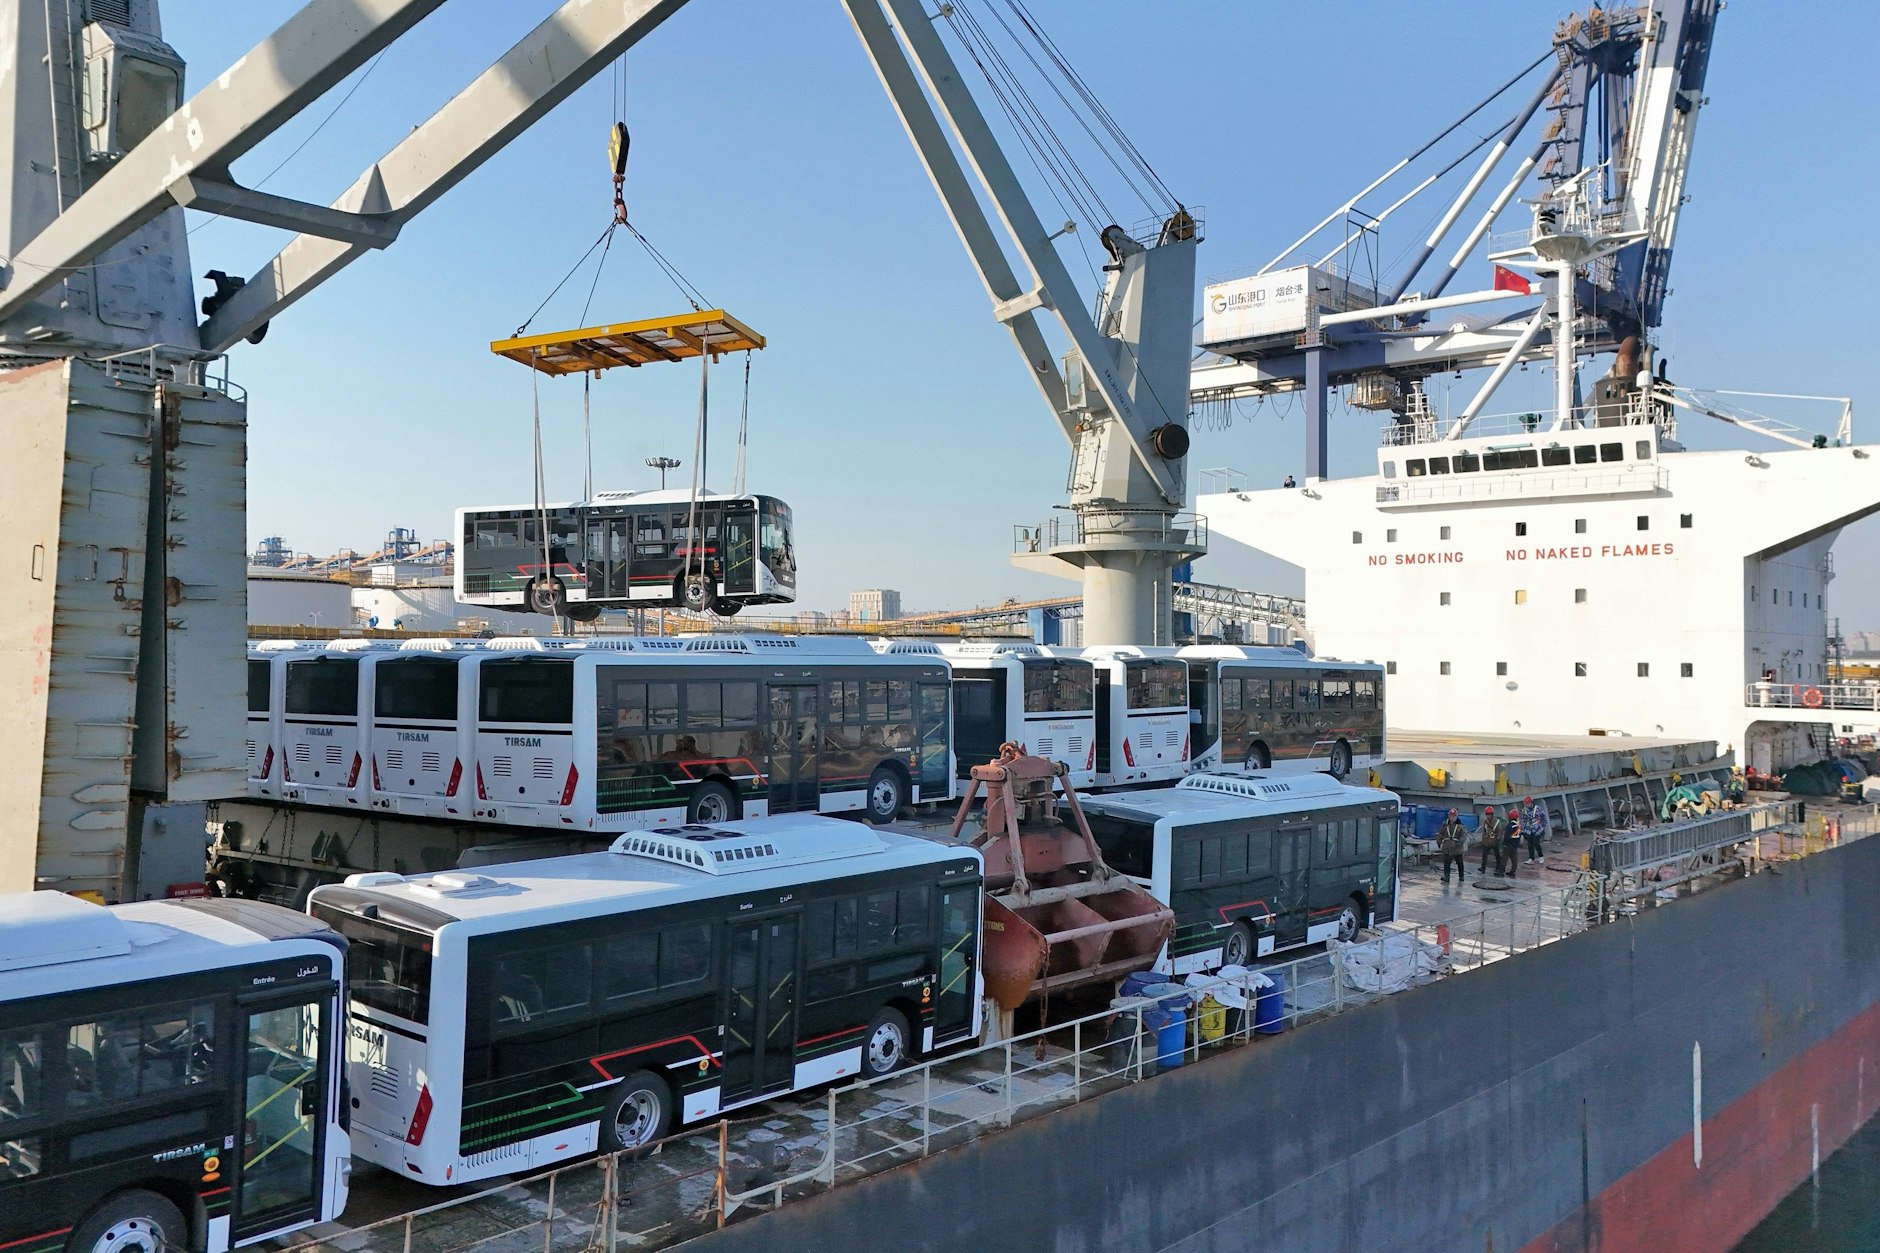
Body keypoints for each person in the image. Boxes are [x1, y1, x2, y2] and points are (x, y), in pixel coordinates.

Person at [1436, 808, 1468, 886]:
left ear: (1456, 816)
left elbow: (1464, 836)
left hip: (1457, 848)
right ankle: (1447, 877)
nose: (1452, 818)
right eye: (1450, 816)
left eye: (1453, 816)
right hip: (1447, 847)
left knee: (1459, 863)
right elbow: (1441, 834)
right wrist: (1439, 842)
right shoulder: (1445, 825)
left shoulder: (1461, 826)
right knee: (1446, 863)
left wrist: (1459, 843)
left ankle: (1461, 876)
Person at [1476, 805, 1506, 877]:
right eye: (1487, 814)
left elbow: (1500, 830)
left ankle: (1498, 867)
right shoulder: (1485, 821)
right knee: (1484, 855)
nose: (1488, 816)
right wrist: (1483, 839)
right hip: (1487, 840)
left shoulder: (1497, 822)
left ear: (1492, 814)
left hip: (1494, 841)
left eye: (1489, 814)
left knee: (1497, 855)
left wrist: (1498, 838)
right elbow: (1484, 831)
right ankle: (1483, 868)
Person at [1520, 796, 1548, 863]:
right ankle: (1531, 858)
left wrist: (1542, 827)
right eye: (1525, 804)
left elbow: (1544, 819)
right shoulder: (1524, 811)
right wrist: (1523, 830)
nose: (1526, 805)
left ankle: (1541, 856)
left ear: (1531, 802)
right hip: (1529, 830)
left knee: (1536, 843)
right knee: (1530, 844)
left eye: (1527, 803)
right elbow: (1523, 820)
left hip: (1537, 830)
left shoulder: (1538, 809)